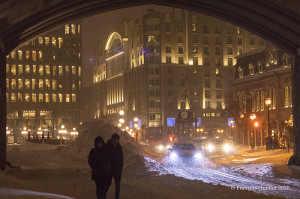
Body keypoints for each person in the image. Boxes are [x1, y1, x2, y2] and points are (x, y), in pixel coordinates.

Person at [106, 133, 124, 199]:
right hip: (110, 169)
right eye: (116, 139)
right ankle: (103, 195)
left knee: (117, 185)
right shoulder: (108, 146)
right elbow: (106, 157)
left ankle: (117, 197)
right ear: (113, 139)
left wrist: (121, 166)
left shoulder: (119, 146)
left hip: (117, 169)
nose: (117, 140)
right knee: (108, 184)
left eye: (118, 139)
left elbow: (121, 157)